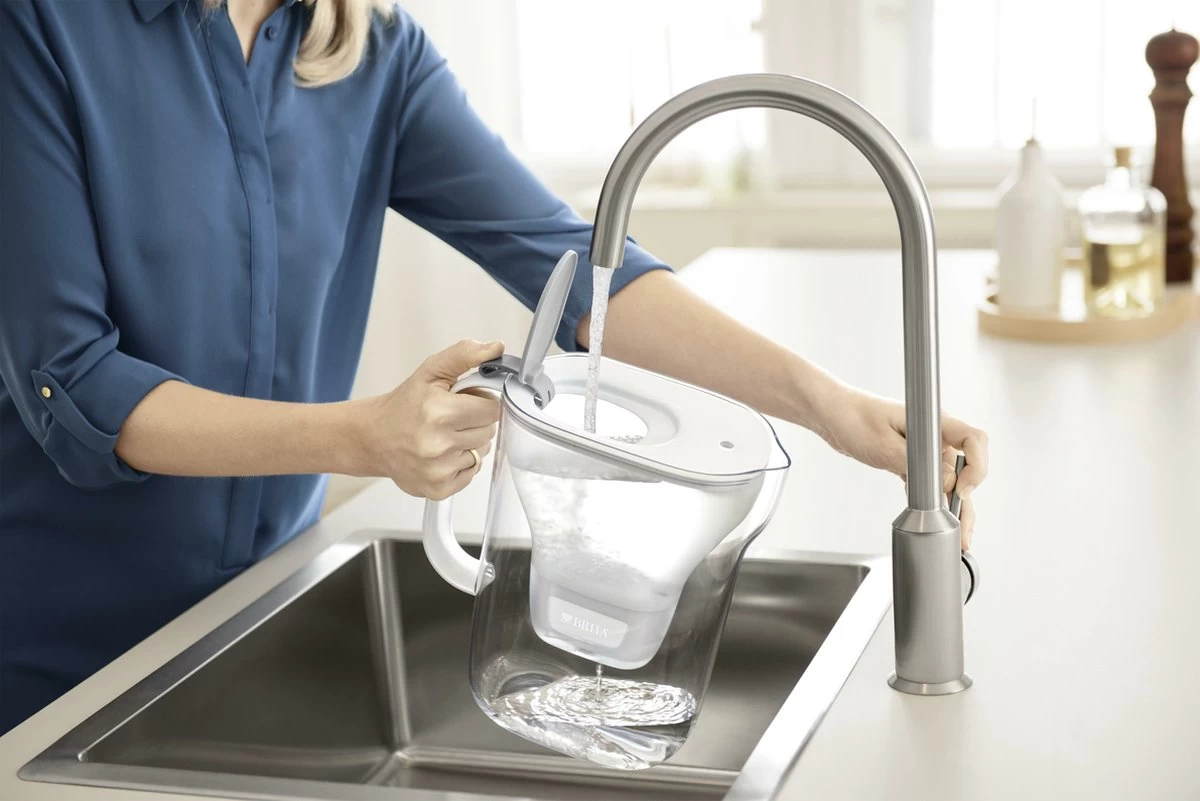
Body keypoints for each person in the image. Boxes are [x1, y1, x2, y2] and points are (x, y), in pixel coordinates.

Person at [0, 0, 989, 735]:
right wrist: (363, 436)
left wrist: (828, 405)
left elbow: (573, 265)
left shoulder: (373, 52)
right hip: (62, 661)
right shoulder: (41, 25)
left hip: (263, 609)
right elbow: (73, 384)